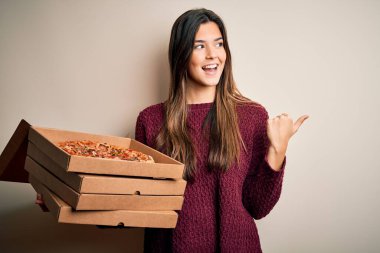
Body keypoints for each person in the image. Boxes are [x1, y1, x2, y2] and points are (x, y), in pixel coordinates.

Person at [135, 8, 308, 253]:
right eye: (199, 46)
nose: (212, 55)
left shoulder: (252, 116)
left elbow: (258, 207)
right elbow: (143, 209)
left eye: (219, 44)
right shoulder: (150, 120)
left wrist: (278, 152)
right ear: (181, 54)